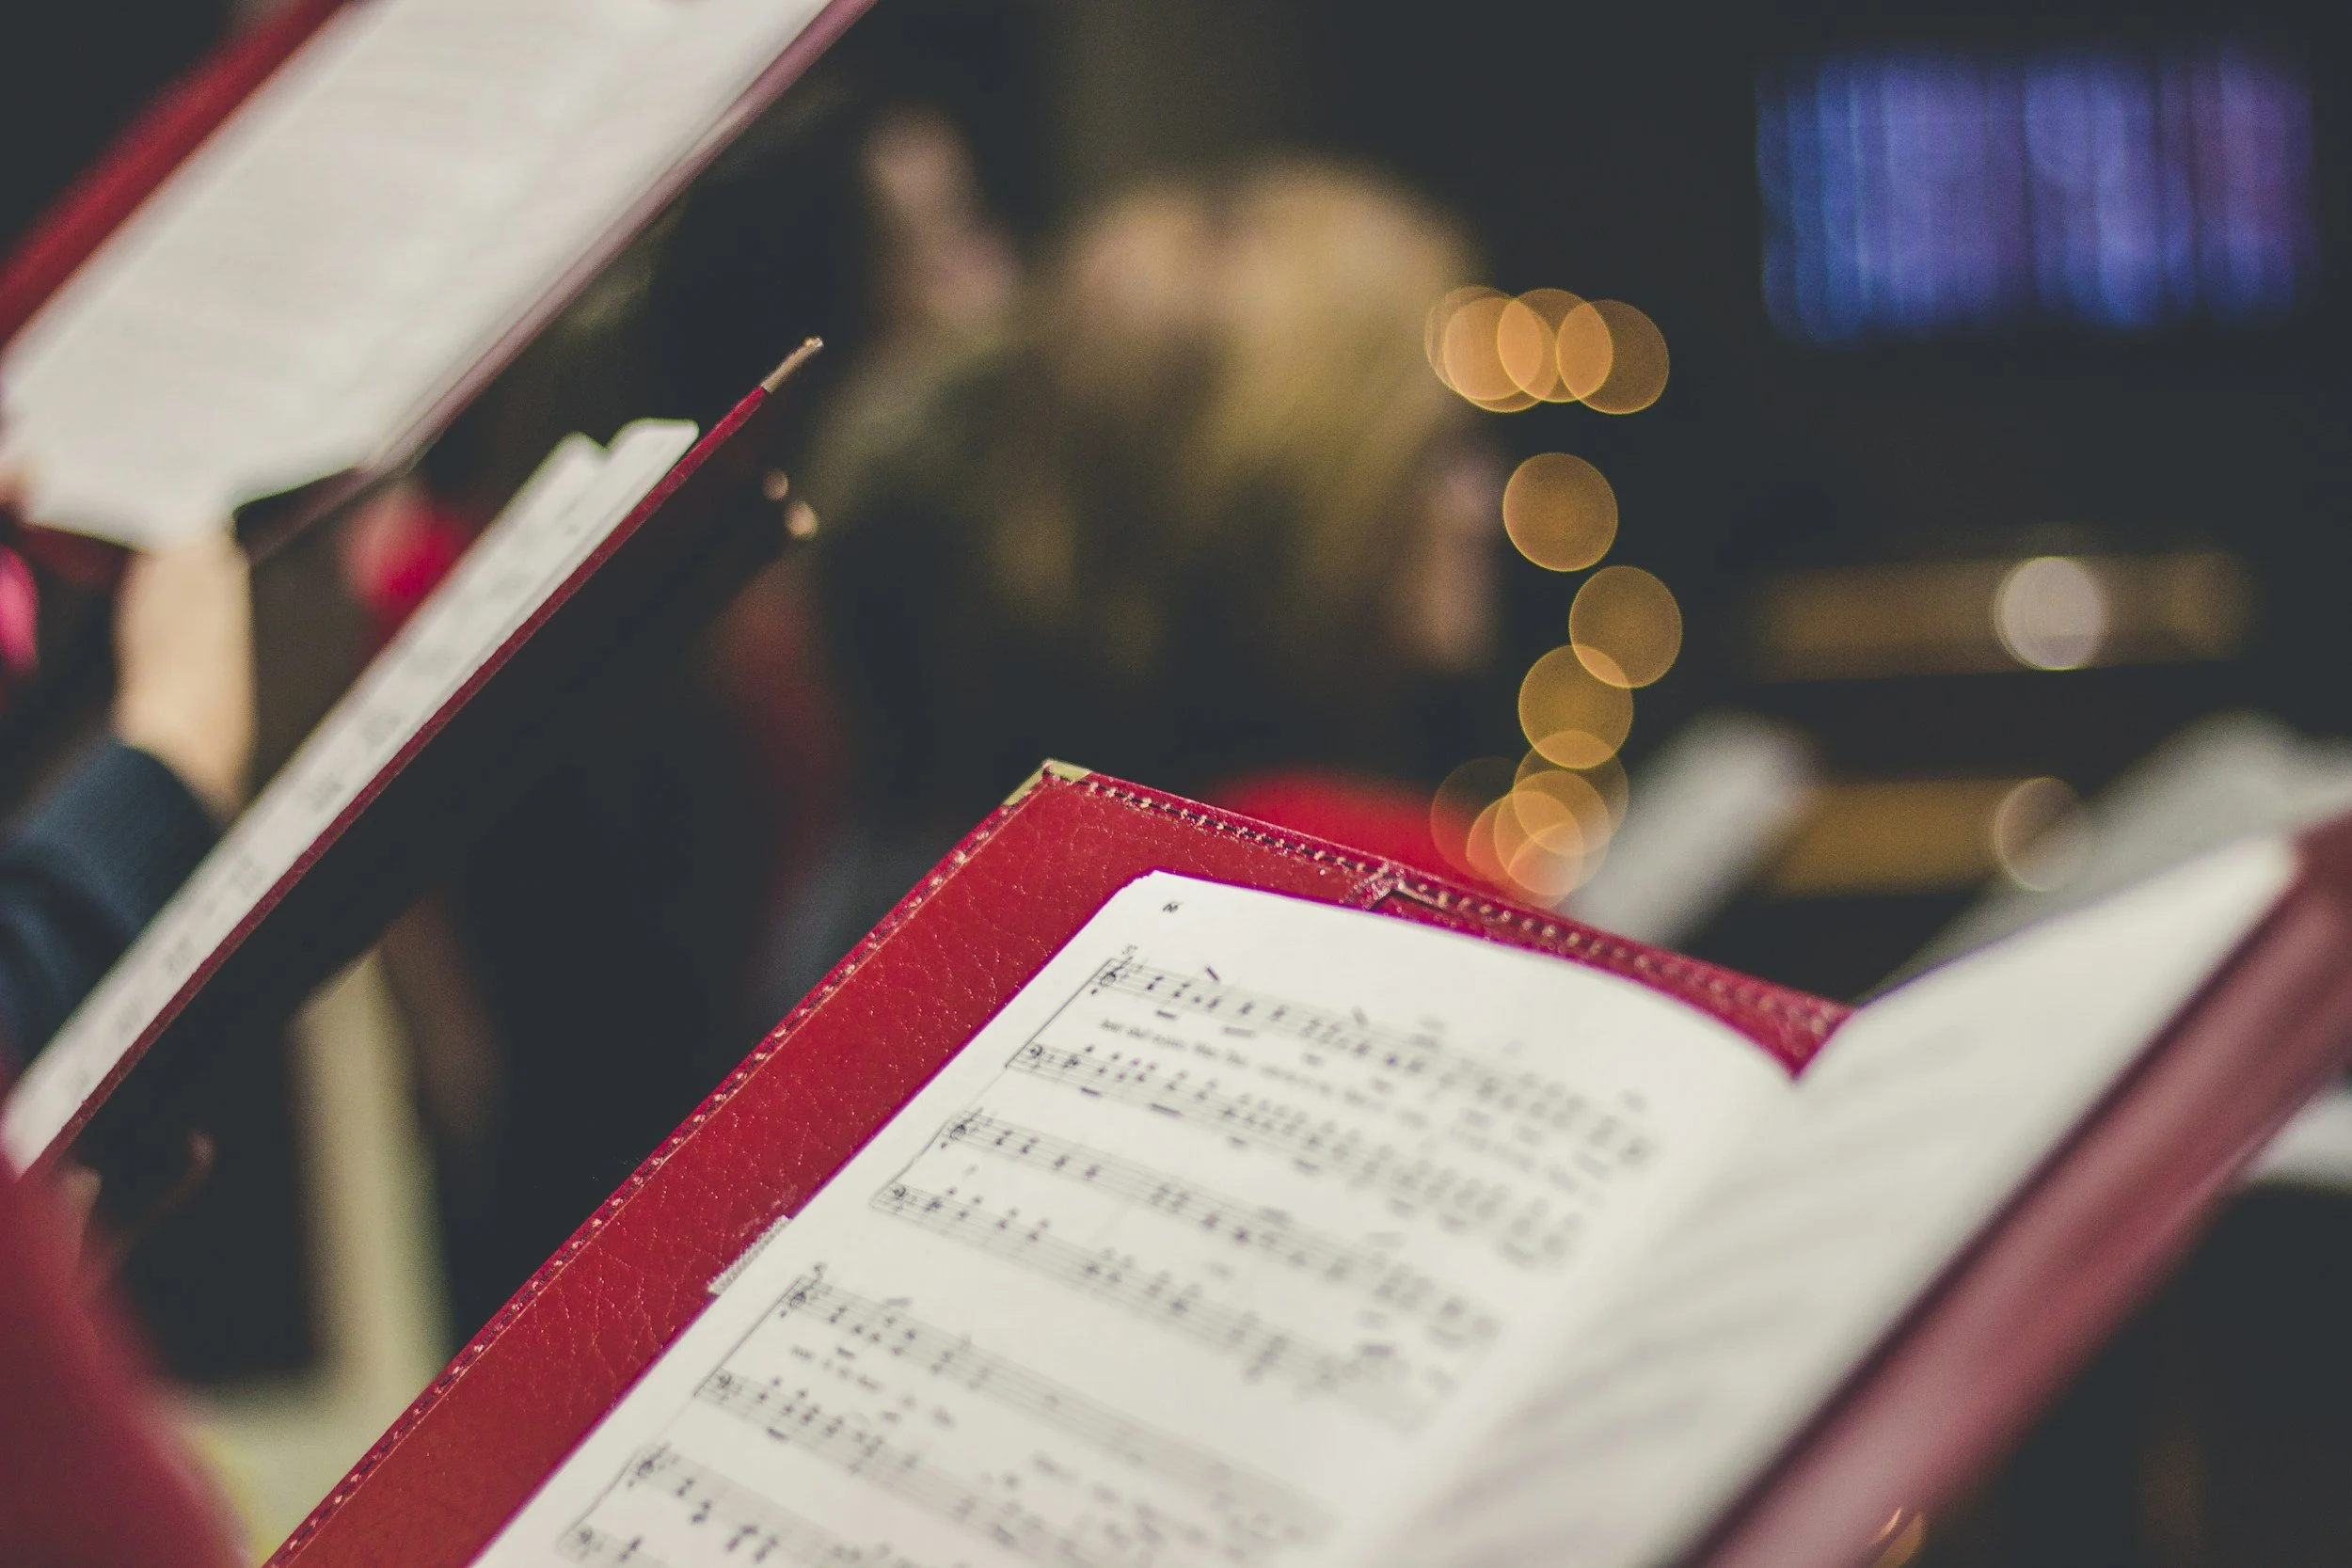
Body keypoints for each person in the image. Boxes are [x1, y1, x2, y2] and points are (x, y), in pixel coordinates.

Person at [768, 159, 1503, 1010]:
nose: (1479, 504)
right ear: (1305, 499)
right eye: (1438, 452)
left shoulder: (955, 883)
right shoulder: (1398, 886)